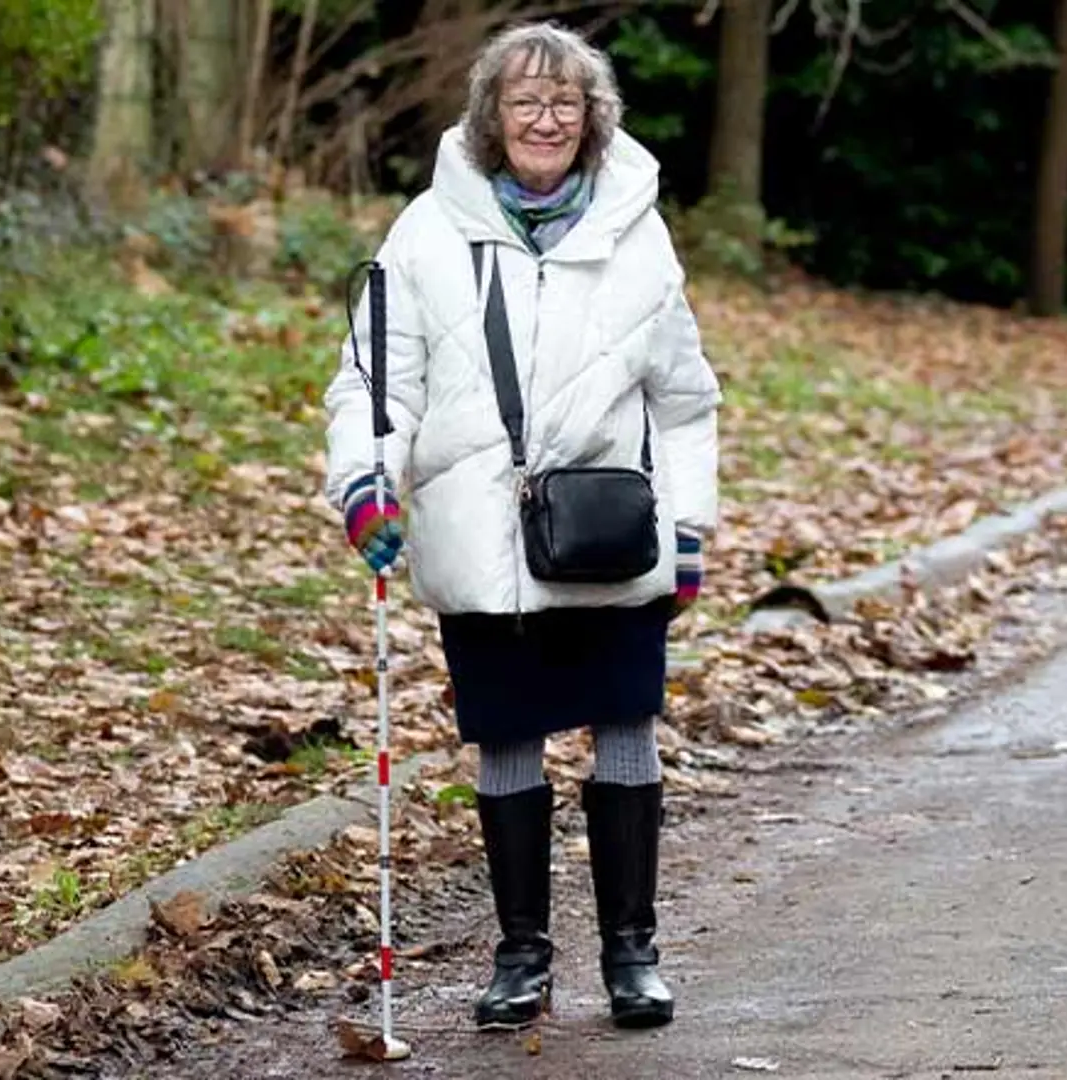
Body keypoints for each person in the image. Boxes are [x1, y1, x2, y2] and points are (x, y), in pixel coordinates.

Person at [321, 20, 720, 1032]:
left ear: (594, 120)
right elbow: (375, 382)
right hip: (479, 533)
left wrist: (693, 530)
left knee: (625, 727)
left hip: (610, 528)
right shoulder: (424, 233)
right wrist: (366, 485)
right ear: (491, 117)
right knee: (507, 737)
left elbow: (684, 401)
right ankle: (521, 957)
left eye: (565, 102)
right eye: (525, 102)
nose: (545, 119)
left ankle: (632, 955)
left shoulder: (640, 231)